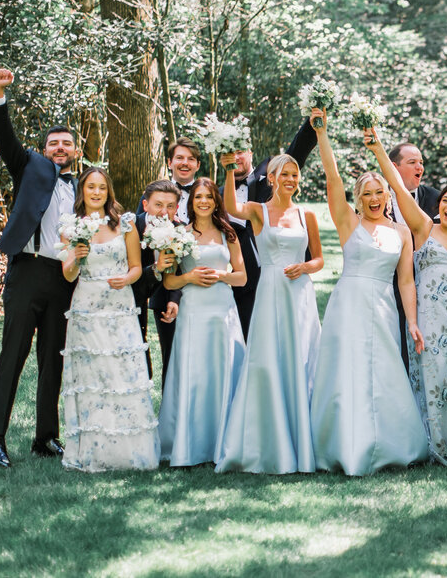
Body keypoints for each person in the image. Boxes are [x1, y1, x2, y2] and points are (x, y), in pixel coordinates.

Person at [367, 132, 447, 466]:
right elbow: (397, 187)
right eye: (446, 200)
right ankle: (430, 444)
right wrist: (378, 147)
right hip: (426, 319)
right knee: (431, 381)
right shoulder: (425, 229)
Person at [308, 113, 429, 475]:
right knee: (347, 370)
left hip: (383, 308)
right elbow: (333, 179)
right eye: (367, 193)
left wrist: (412, 322)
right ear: (358, 198)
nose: (374, 198)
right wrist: (322, 134)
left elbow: (406, 281)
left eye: (380, 192)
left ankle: (391, 443)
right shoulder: (349, 222)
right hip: (348, 304)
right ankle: (342, 444)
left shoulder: (401, 232)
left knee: (384, 369)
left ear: (388, 196)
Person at [0, 68, 79, 467]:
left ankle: (45, 437)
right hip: (27, 271)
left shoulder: (85, 183)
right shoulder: (29, 166)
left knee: (52, 360)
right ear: (44, 149)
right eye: (54, 143)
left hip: (64, 279)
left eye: (66, 144)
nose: (60, 148)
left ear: (76, 149)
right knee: (13, 355)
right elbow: (6, 139)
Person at [216, 154, 323, 474]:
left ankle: (305, 440)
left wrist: (305, 266)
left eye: (295, 174)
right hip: (270, 292)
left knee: (302, 358)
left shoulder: (307, 215)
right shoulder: (257, 211)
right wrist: (229, 170)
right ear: (272, 179)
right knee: (267, 360)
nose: (290, 179)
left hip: (300, 294)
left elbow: (318, 259)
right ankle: (265, 438)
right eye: (284, 174)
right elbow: (231, 208)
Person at [58, 167, 159, 472]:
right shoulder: (71, 227)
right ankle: (94, 452)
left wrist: (124, 279)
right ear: (83, 191)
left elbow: (136, 267)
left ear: (108, 191)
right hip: (87, 310)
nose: (97, 192)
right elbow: (68, 274)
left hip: (119, 307)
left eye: (102, 187)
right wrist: (76, 254)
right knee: (92, 379)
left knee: (121, 374)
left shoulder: (125, 224)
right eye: (91, 187)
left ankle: (129, 452)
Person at [159, 178, 247, 467]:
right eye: (198, 197)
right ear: (191, 201)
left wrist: (221, 275)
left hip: (222, 311)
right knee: (195, 374)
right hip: (194, 310)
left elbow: (242, 276)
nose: (204, 201)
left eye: (209, 196)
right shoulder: (179, 235)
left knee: (223, 372)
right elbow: (169, 279)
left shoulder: (228, 233)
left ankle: (225, 442)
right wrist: (189, 277)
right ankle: (189, 446)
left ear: (216, 201)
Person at [218, 118, 317, 335]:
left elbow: (296, 151)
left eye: (240, 151)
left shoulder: (269, 177)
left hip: (290, 279)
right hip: (244, 280)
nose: (236, 156)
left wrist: (314, 121)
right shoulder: (218, 194)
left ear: (250, 153)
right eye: (231, 152)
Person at [386, 141, 441, 371]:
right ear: (394, 167)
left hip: (426, 284)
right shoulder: (376, 198)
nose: (420, 167)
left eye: (421, 162)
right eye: (412, 162)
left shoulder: (435, 198)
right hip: (388, 284)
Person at [133, 180, 183, 384]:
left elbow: (181, 268)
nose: (164, 212)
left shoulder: (179, 229)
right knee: (137, 358)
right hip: (133, 293)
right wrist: (156, 268)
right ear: (145, 205)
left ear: (177, 208)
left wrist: (174, 299)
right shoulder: (131, 227)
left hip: (165, 291)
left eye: (170, 206)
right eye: (158, 205)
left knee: (172, 356)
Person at [137, 139, 201, 223]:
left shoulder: (207, 197)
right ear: (169, 163)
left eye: (191, 159)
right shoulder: (152, 194)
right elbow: (139, 226)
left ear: (198, 165)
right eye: (179, 158)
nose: (185, 163)